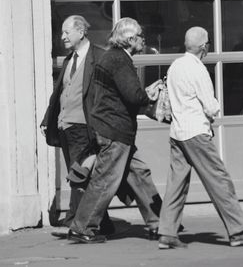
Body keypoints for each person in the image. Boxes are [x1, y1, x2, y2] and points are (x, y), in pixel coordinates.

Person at [158, 26, 243, 249]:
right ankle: (238, 230)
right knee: (219, 180)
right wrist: (215, 111)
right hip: (196, 132)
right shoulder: (198, 69)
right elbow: (211, 106)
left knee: (176, 184)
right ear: (204, 47)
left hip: (177, 132)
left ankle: (167, 232)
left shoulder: (175, 66)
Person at [67, 17, 165, 244]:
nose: (143, 40)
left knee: (140, 174)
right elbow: (134, 96)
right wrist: (151, 93)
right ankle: (82, 227)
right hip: (115, 131)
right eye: (141, 36)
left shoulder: (108, 57)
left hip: (113, 130)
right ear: (130, 39)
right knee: (105, 180)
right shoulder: (120, 60)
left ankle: (159, 222)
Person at [40, 15, 114, 238]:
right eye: (62, 33)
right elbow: (60, 93)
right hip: (66, 126)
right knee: (81, 177)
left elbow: (105, 94)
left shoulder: (99, 56)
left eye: (66, 32)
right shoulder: (68, 60)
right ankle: (98, 223)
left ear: (81, 32)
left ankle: (83, 223)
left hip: (84, 127)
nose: (62, 37)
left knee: (80, 177)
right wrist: (48, 120)